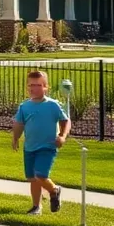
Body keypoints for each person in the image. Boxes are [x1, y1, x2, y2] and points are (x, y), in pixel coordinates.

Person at [12, 69, 71, 215]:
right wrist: (15, 138)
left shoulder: (53, 105)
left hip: (48, 146)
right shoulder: (24, 106)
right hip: (30, 147)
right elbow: (19, 124)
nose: (34, 88)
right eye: (31, 85)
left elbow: (66, 121)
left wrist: (62, 136)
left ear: (46, 87)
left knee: (40, 175)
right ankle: (36, 206)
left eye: (38, 85)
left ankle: (54, 190)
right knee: (33, 179)